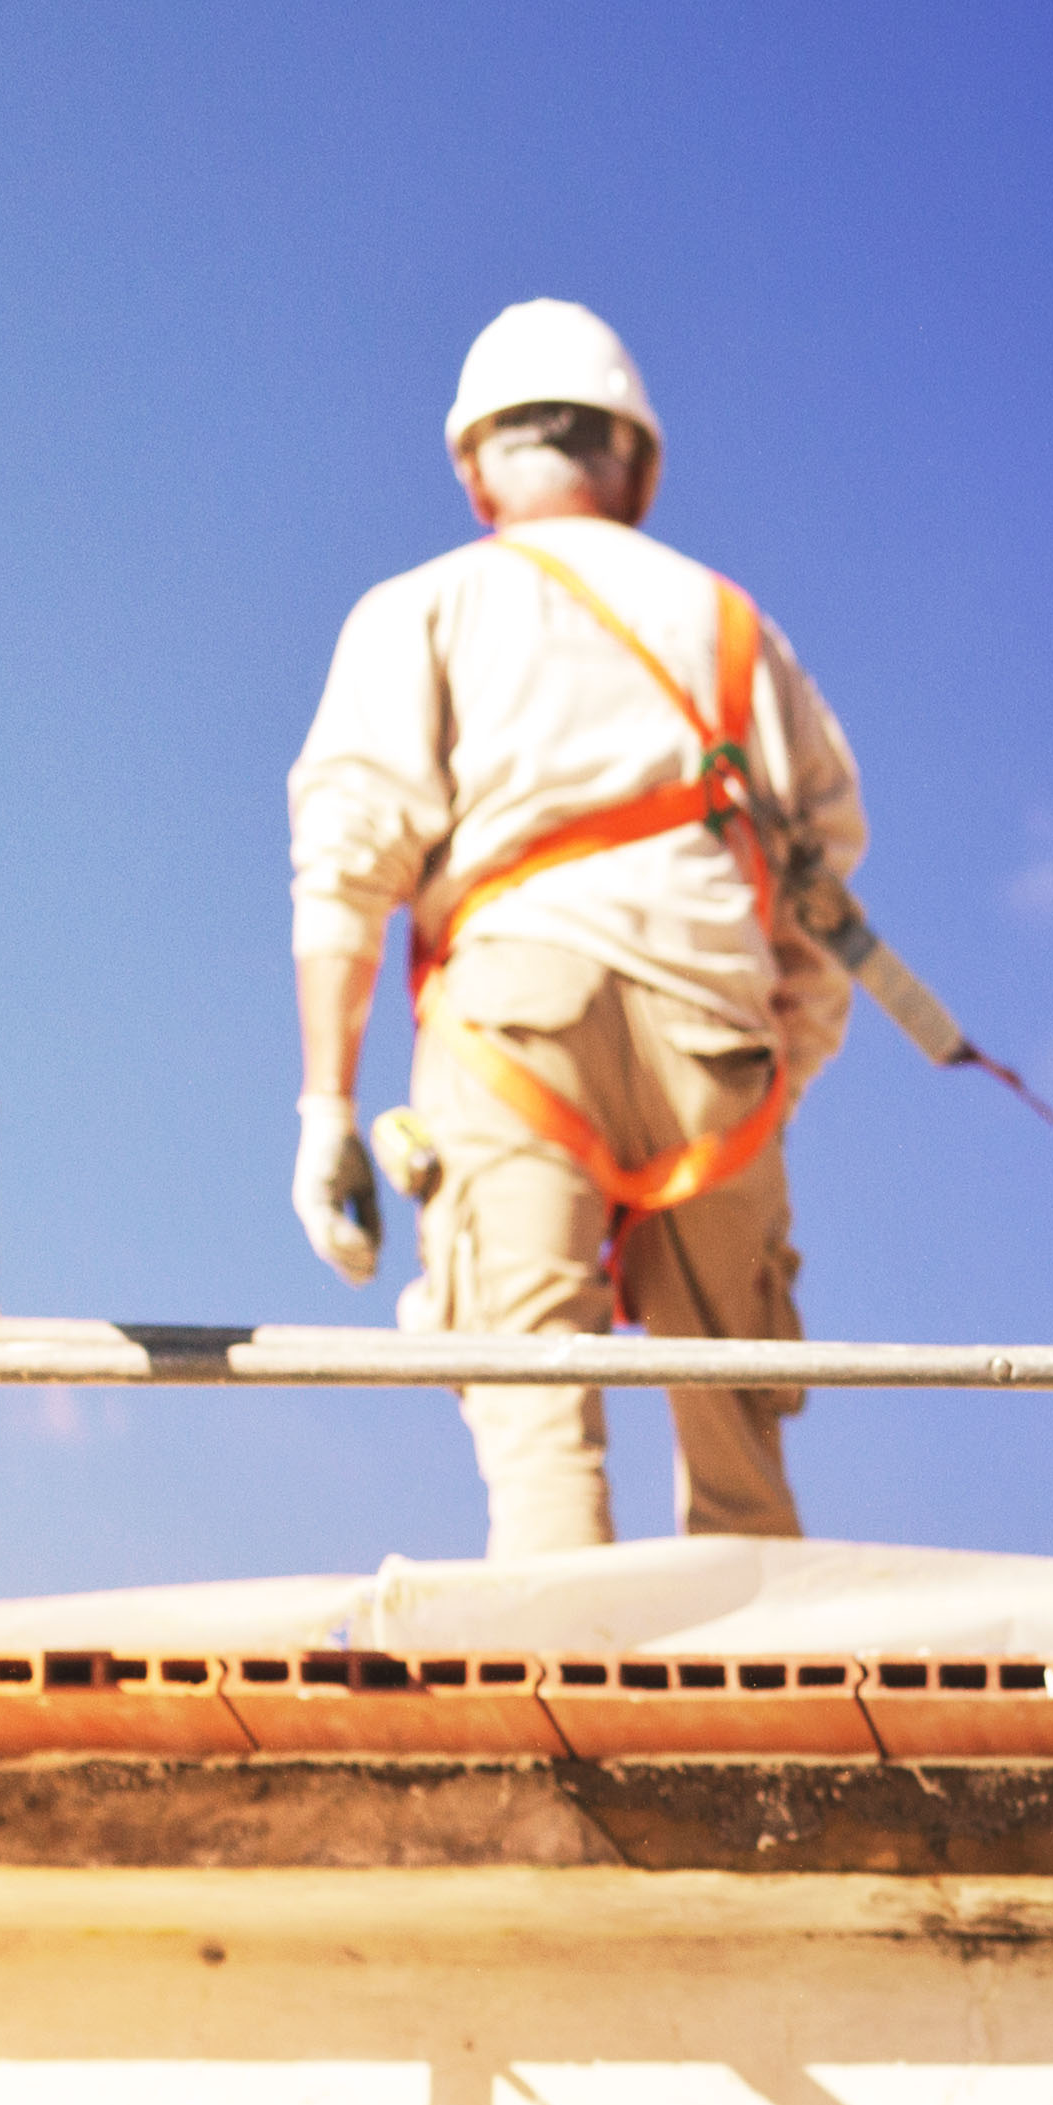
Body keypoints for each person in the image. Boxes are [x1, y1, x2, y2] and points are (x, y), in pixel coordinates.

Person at [284, 301, 868, 1553]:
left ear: (478, 463)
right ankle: (761, 1723)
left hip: (517, 1018)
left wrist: (327, 1112)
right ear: (635, 462)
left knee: (538, 1424)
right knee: (741, 1463)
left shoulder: (425, 605)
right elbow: (824, 890)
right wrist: (777, 1075)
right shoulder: (735, 628)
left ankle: (569, 1719)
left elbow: (349, 861)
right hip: (716, 1031)